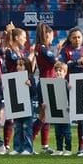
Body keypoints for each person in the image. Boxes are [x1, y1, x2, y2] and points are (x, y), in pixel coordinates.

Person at [32, 24, 58, 154]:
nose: (53, 37)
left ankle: (44, 145)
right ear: (47, 34)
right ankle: (28, 141)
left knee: (45, 115)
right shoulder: (42, 48)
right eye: (52, 35)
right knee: (44, 115)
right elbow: (55, 62)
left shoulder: (39, 48)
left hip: (45, 81)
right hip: (47, 82)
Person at [51, 61, 74, 156]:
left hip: (66, 111)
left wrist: (70, 106)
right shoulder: (51, 84)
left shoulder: (66, 84)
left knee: (67, 132)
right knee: (58, 132)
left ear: (65, 73)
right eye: (56, 70)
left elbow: (70, 96)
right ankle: (59, 148)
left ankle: (68, 149)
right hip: (56, 111)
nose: (58, 72)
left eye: (61, 71)